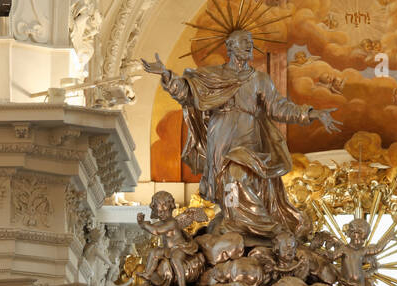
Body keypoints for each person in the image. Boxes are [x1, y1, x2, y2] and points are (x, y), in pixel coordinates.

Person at [143, 30, 339, 239]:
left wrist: (310, 113)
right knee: (226, 181)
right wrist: (166, 75)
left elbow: (278, 108)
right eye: (243, 42)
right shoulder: (214, 75)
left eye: (250, 42)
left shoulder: (260, 79)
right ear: (230, 47)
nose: (248, 46)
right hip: (221, 135)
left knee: (236, 175)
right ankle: (232, 217)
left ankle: (261, 226)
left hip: (249, 135)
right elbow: (188, 93)